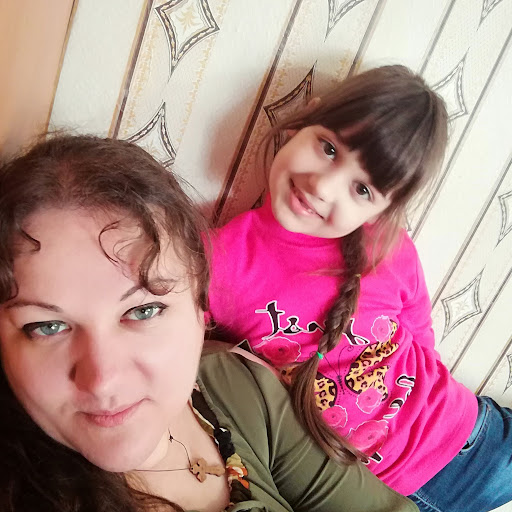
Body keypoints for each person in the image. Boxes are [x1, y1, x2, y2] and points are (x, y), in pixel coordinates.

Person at [0, 134, 418, 512]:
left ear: (202, 307)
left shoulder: (237, 388)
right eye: (47, 327)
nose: (102, 381)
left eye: (143, 311)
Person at [206, 65, 512, 512]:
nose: (322, 186)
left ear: (383, 210)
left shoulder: (389, 247)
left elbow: (422, 338)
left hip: (472, 445)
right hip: (374, 495)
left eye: (362, 190)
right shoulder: (219, 260)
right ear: (303, 120)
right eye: (328, 148)